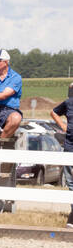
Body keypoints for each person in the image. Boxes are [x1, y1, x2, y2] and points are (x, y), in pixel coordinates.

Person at [50, 82, 73, 228]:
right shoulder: (69, 103)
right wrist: (63, 126)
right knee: (71, 181)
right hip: (70, 145)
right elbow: (54, 112)